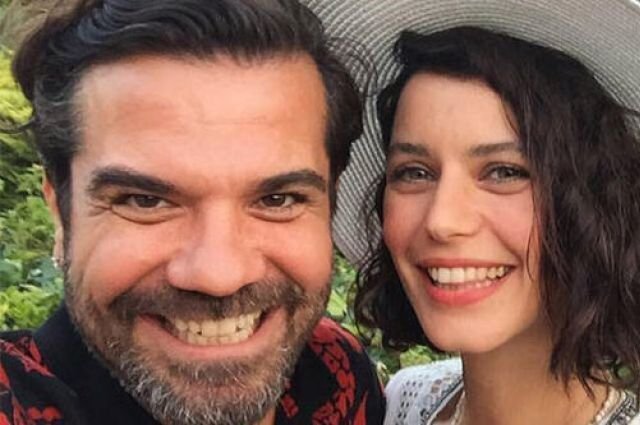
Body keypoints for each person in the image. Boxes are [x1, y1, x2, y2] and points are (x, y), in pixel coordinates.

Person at [0, 0, 385, 424]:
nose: (218, 277)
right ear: (60, 210)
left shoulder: (336, 373)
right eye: (144, 201)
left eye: (278, 200)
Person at [304, 0, 640, 424]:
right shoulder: (405, 403)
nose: (442, 221)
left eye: (504, 172)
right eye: (414, 172)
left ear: (594, 201)